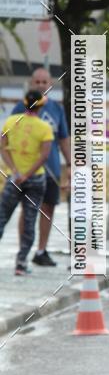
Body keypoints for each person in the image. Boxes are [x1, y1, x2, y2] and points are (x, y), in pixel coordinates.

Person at [11, 67, 71, 266]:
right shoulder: (20, 108)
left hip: (51, 169)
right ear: (31, 83)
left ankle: (41, 250)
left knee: (48, 208)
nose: (41, 85)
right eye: (37, 82)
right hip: (27, 170)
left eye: (44, 82)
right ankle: (23, 251)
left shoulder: (57, 109)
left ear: (50, 84)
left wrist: (70, 163)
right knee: (27, 210)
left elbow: (63, 138)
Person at [0, 91, 54, 275]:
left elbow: (3, 148)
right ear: (41, 106)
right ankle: (21, 263)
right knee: (29, 222)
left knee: (2, 217)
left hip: (14, 178)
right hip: (35, 179)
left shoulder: (10, 122)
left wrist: (15, 171)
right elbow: (44, 156)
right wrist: (28, 174)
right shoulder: (44, 128)